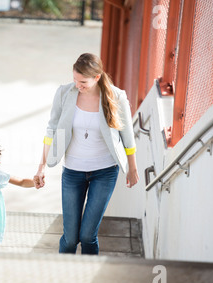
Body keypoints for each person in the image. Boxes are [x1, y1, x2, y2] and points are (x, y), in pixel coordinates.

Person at [33, 53, 139, 255]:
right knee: (71, 237)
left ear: (97, 77)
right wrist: (42, 166)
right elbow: (51, 130)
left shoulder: (116, 96)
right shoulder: (64, 93)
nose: (77, 85)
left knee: (88, 236)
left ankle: (87, 273)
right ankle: (63, 276)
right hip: (73, 171)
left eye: (83, 82)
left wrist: (132, 168)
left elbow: (127, 135)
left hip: (105, 172)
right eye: (74, 79)